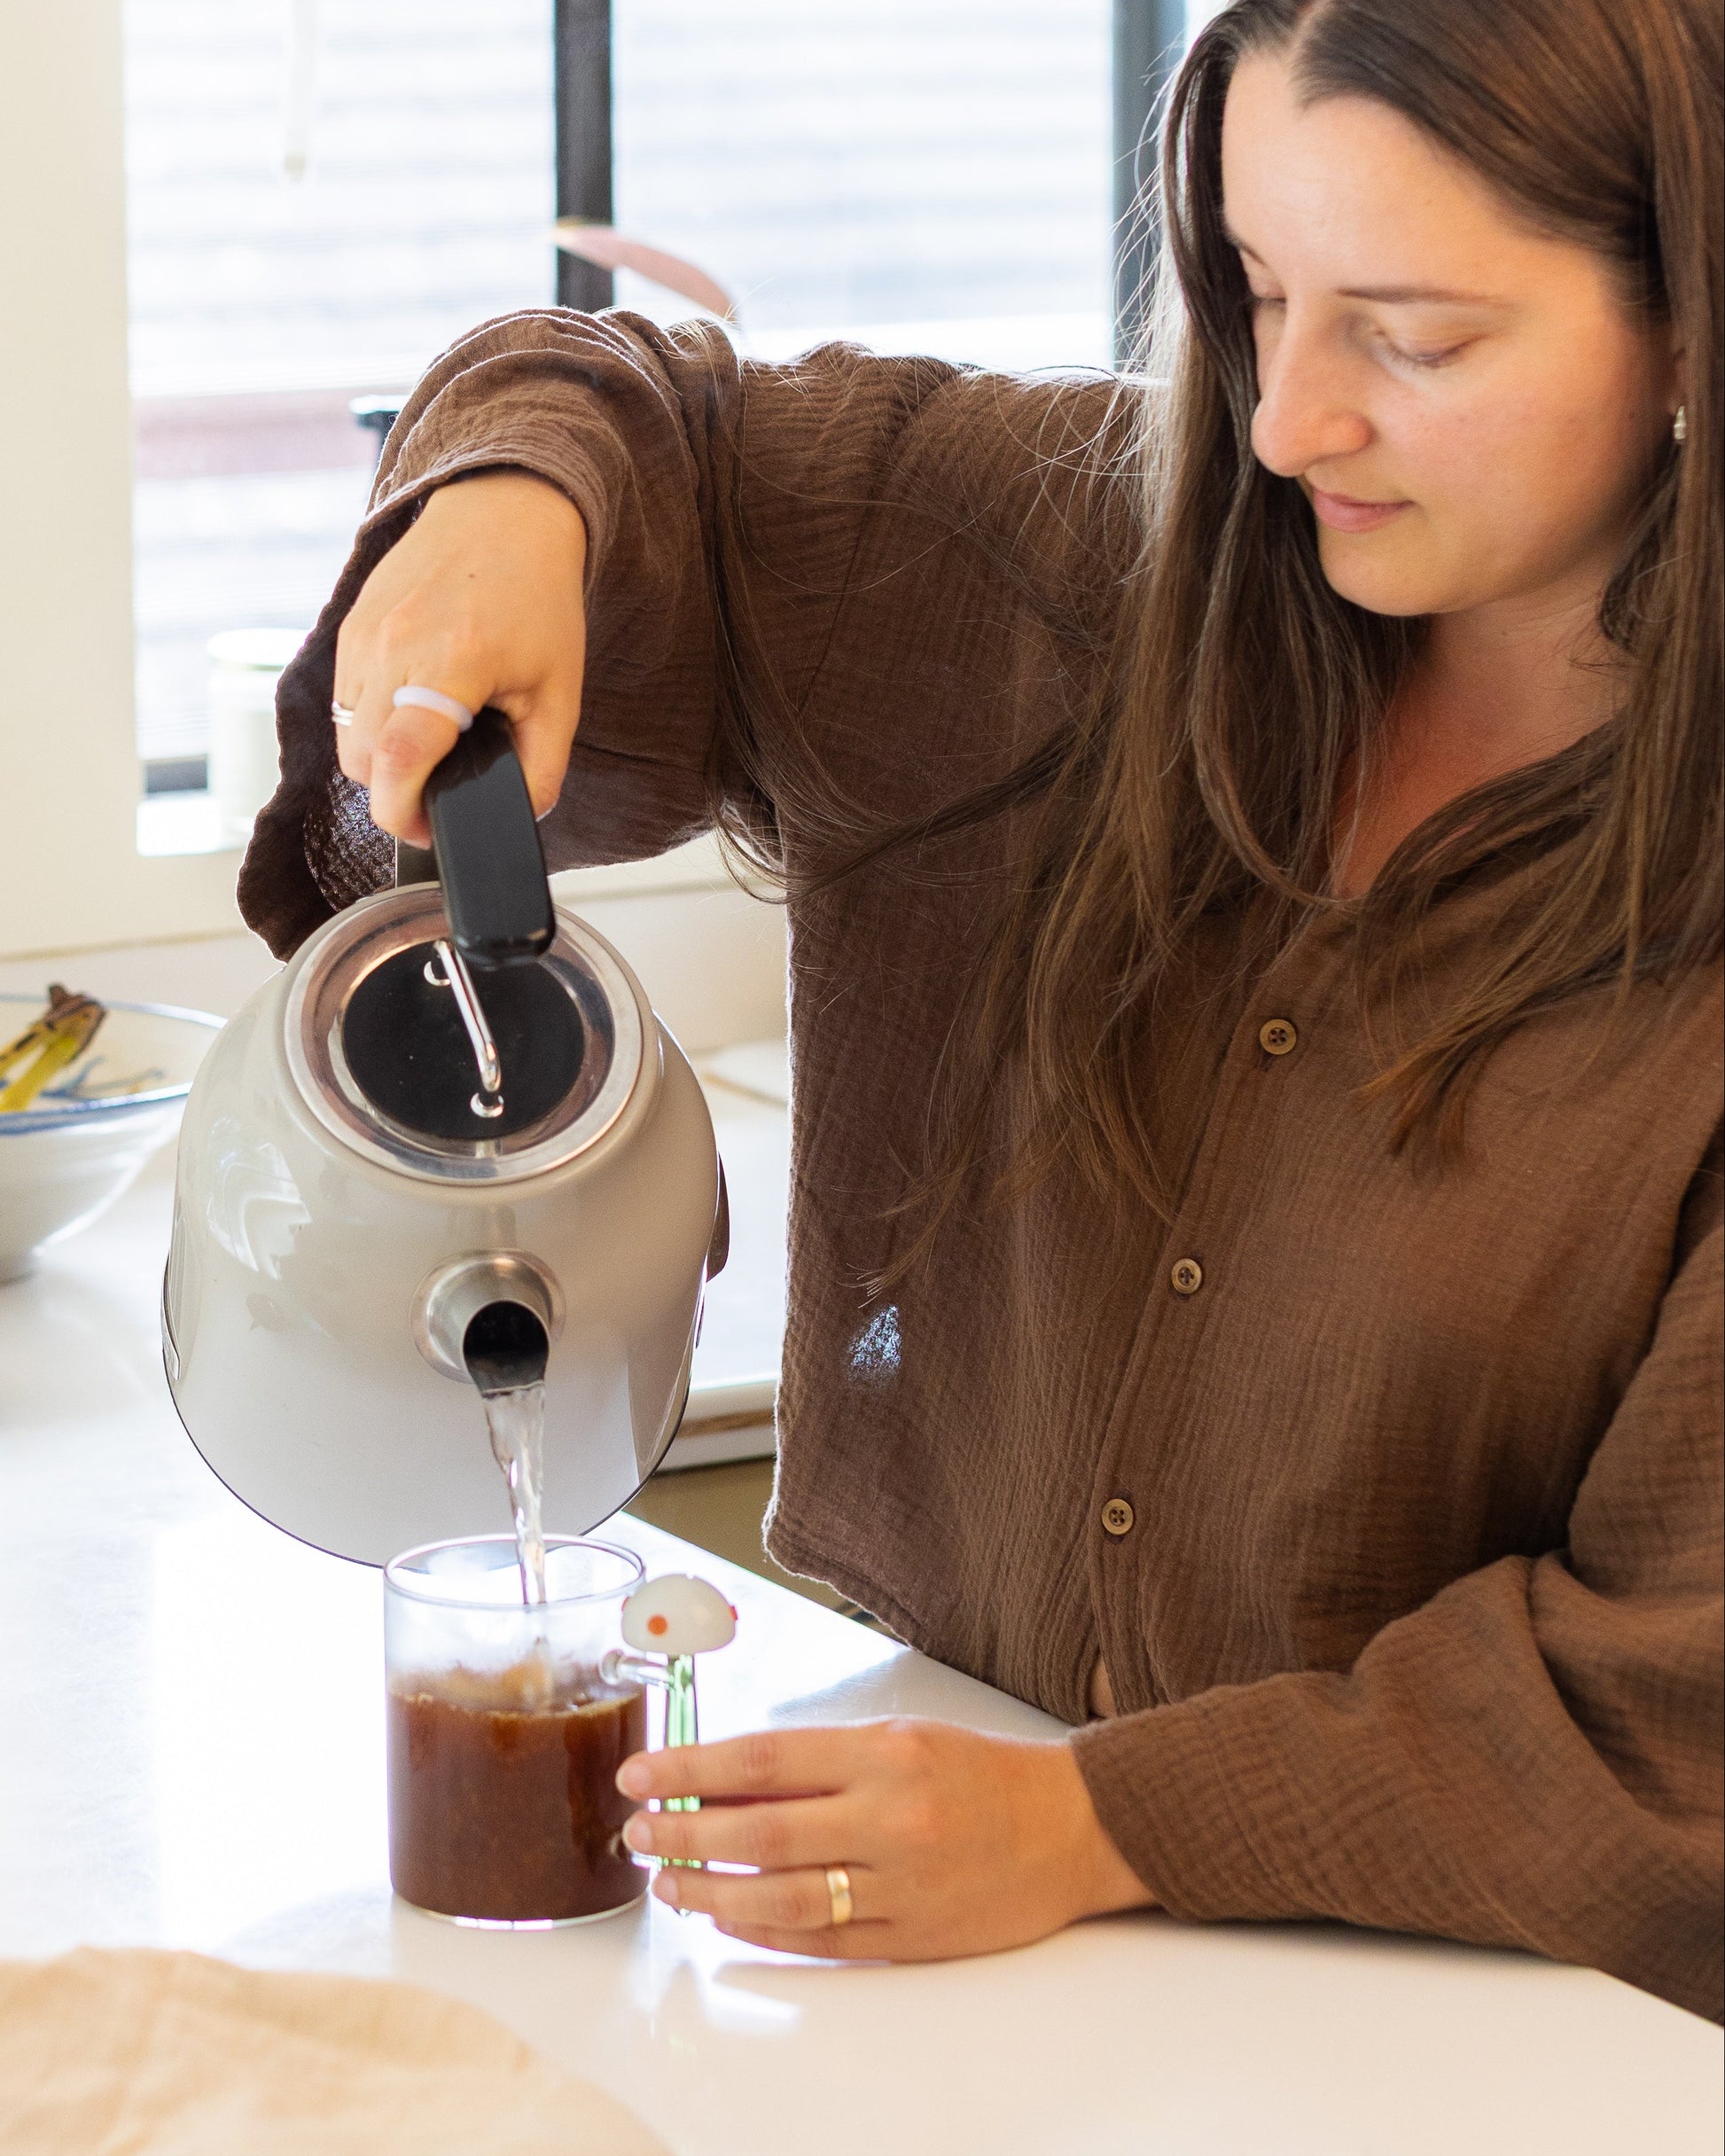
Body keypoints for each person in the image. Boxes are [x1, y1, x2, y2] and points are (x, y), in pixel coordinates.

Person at [241, 0, 1722, 2021]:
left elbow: (1672, 1717)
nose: (1286, 420)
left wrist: (1099, 1823)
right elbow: (628, 410)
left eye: (1415, 337)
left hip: (1455, 2049)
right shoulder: (1055, 566)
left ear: (1688, 332)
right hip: (914, 2001)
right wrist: (512, 503)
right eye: (1253, 291)